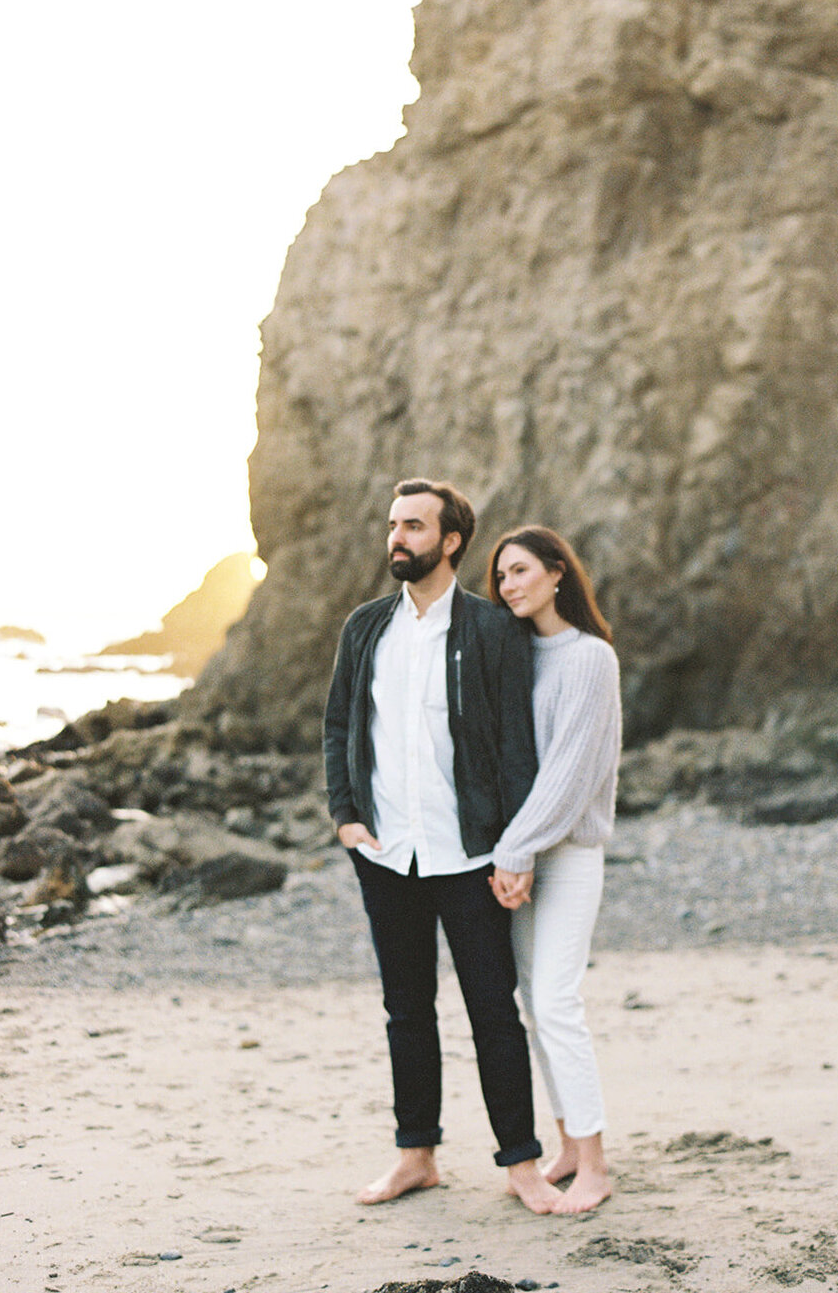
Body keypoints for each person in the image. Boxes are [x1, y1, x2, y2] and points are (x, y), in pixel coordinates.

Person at [324, 479, 565, 1213]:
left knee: (494, 1008)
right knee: (407, 1008)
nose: (398, 537)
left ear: (450, 539)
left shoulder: (493, 630)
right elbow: (339, 727)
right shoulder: (365, 627)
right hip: (387, 853)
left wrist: (515, 849)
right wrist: (346, 818)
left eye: (414, 526)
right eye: (394, 524)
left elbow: (517, 747)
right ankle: (416, 1154)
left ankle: (521, 1164)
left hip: (470, 855)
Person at [487, 525, 622, 1214]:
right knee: (535, 1006)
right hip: (525, 856)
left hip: (564, 857)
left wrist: (514, 851)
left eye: (520, 570)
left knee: (559, 1003)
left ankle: (595, 1165)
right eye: (501, 575)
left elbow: (569, 774)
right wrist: (514, 852)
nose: (508, 584)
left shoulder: (590, 658)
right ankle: (568, 1143)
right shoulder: (514, 655)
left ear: (557, 572)